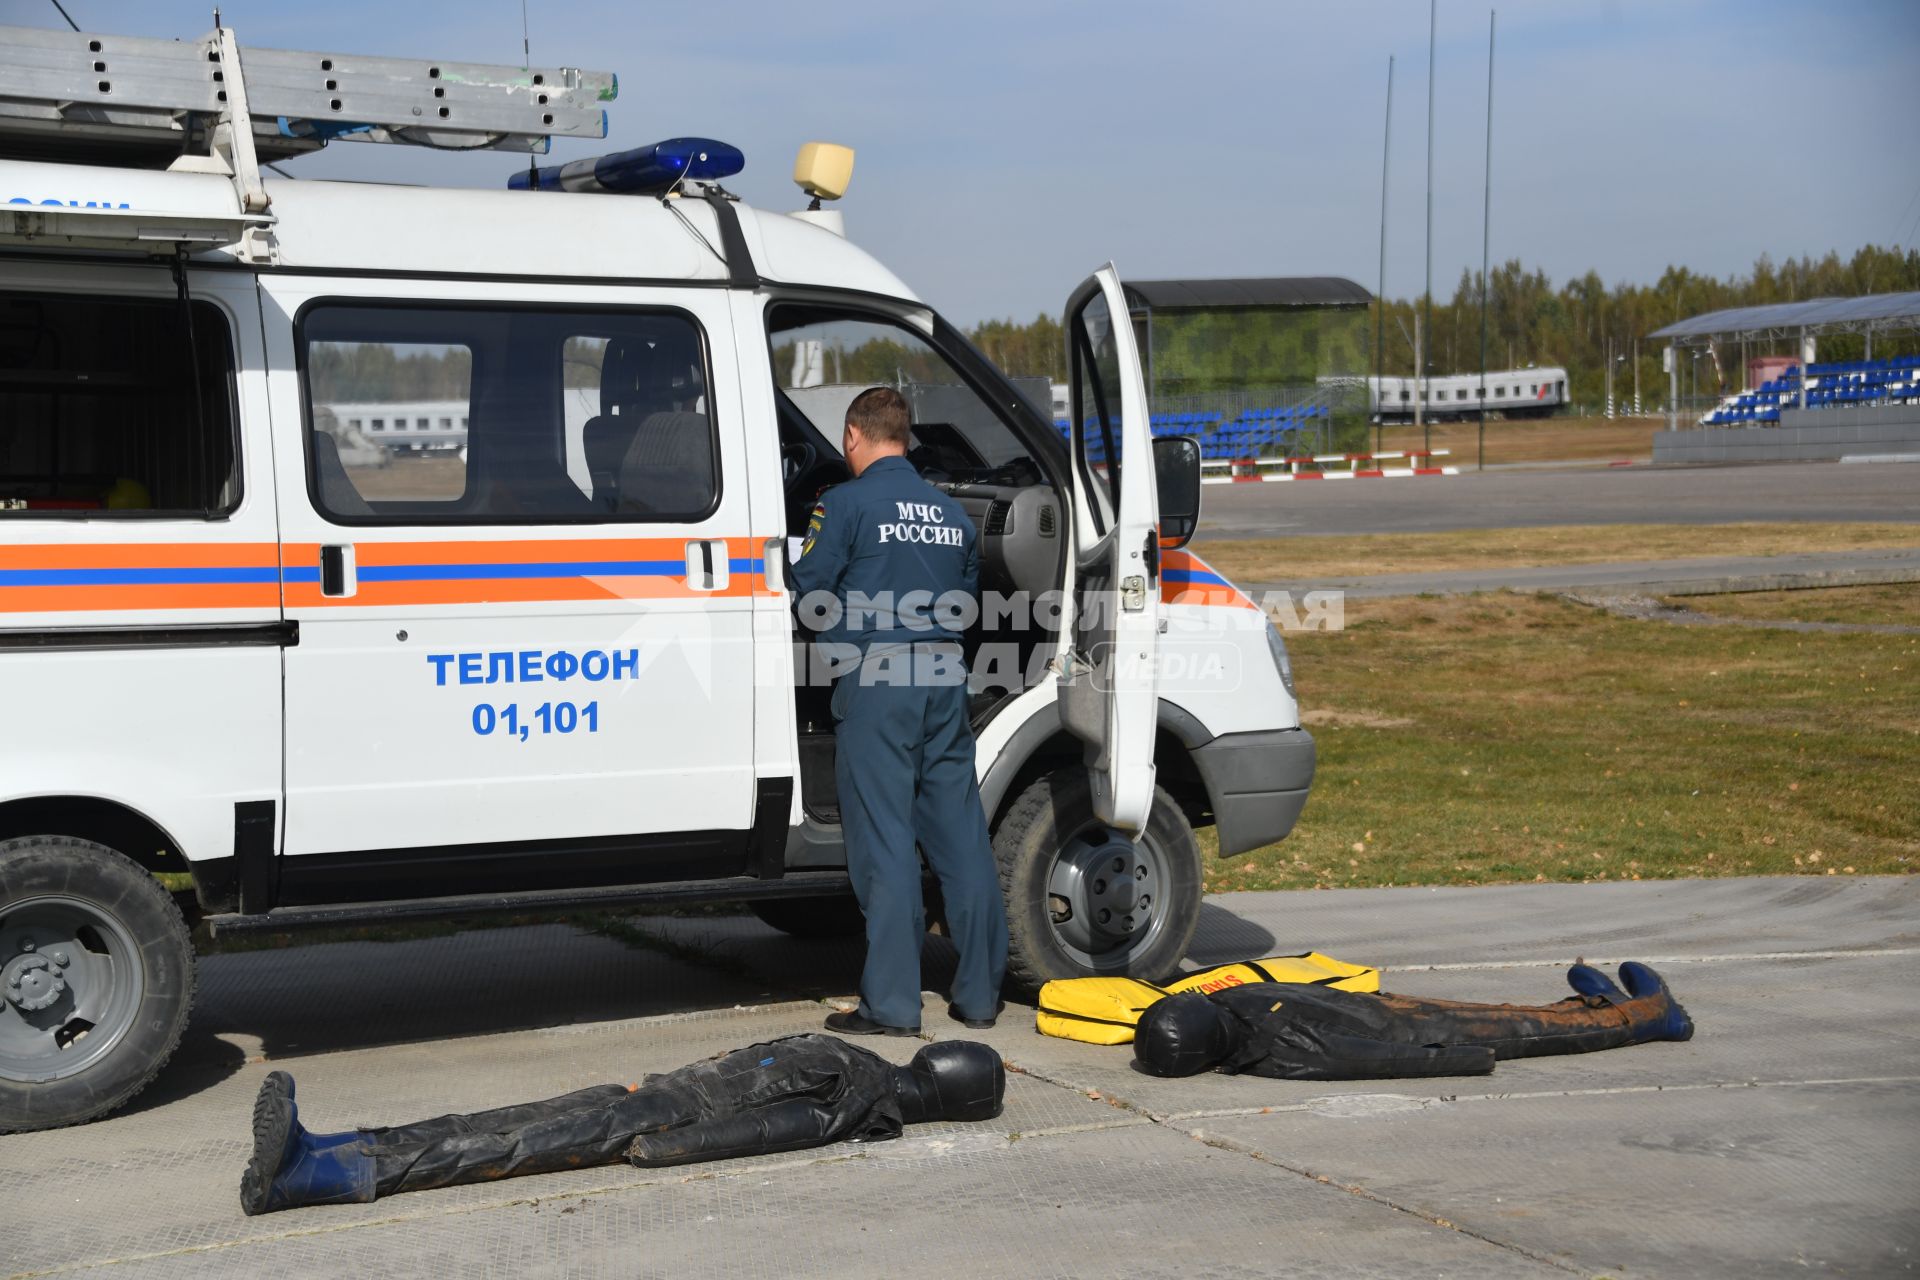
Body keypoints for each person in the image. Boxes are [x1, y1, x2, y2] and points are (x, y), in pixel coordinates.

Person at [789, 386, 1009, 1035]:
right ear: (905, 438)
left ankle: (890, 1004)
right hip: (944, 681)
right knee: (961, 839)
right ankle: (978, 998)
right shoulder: (950, 513)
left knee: (884, 841)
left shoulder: (844, 503)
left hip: (878, 685)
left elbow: (808, 590)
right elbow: (966, 604)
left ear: (853, 436)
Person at [240, 1035, 1005, 1215]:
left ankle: (314, 1175)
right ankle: (324, 1147)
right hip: (662, 1093)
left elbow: (776, 1129)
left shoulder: (862, 1091)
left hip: (672, 1109)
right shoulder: (858, 1065)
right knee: (497, 1125)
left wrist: (667, 1146)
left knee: (506, 1141)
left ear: (941, 1071)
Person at [1132, 961, 1695, 1080]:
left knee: (1508, 1013)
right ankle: (1651, 1015)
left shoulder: (1236, 1009)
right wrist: (1468, 1061)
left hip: (1393, 1008)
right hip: (1419, 1033)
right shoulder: (1285, 1053)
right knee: (1527, 1029)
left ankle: (1595, 1005)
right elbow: (1377, 1061)